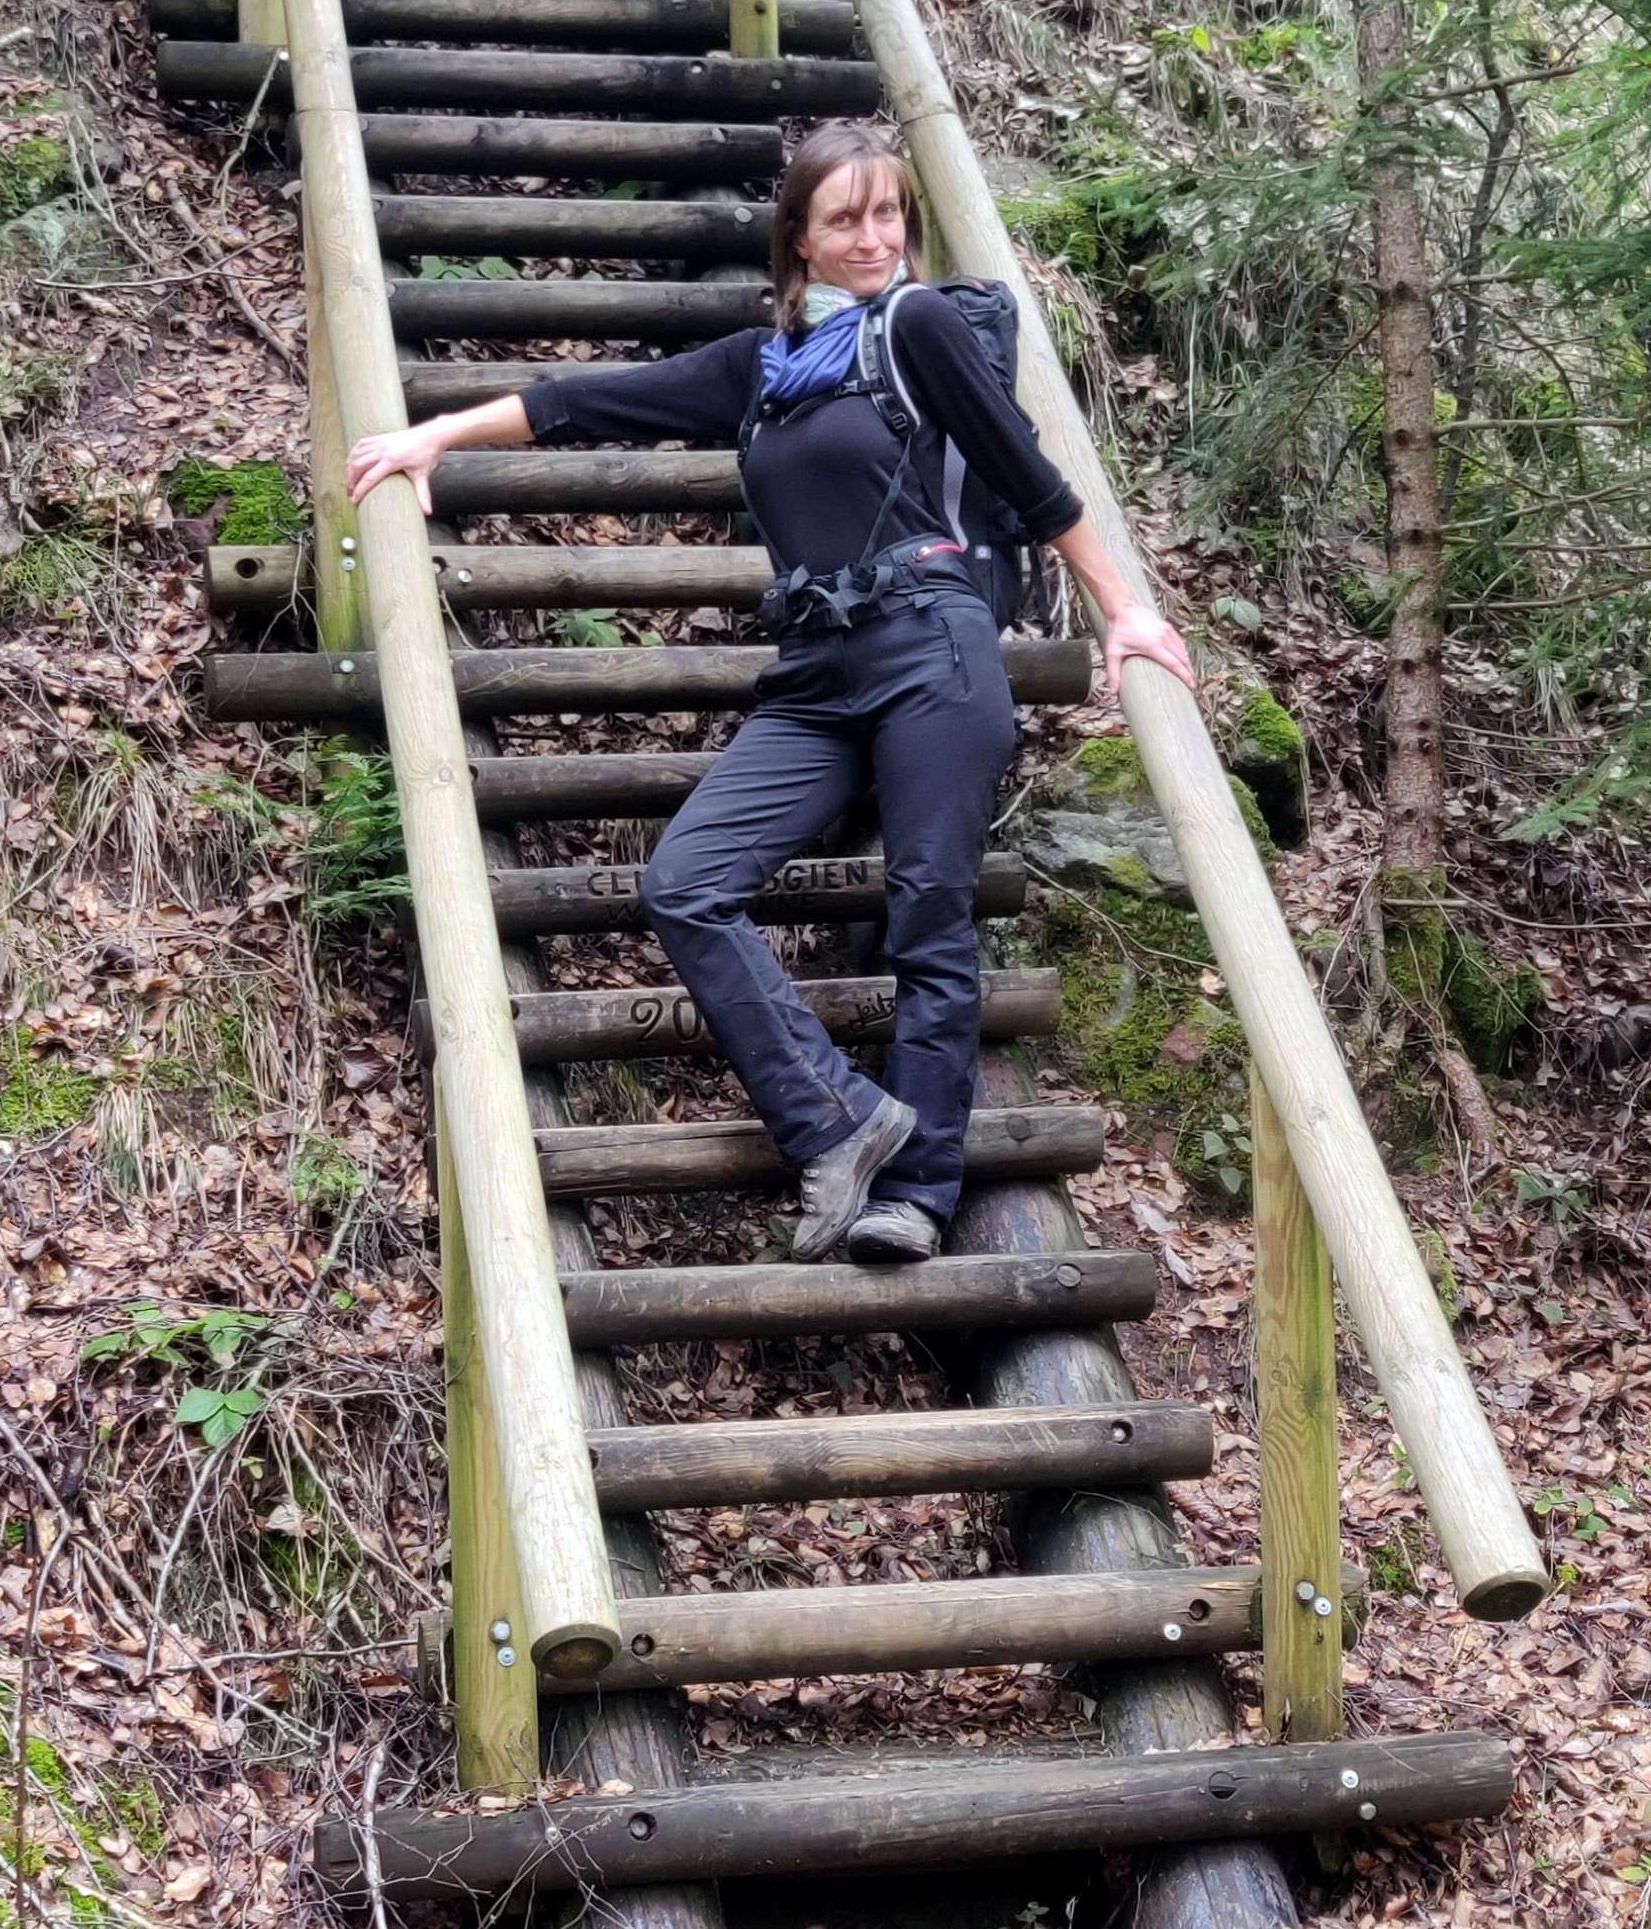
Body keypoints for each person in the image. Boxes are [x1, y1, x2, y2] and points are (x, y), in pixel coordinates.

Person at [347, 121, 1196, 1266]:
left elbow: (1031, 481)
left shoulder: (919, 326)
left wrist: (1121, 610)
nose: (872, 237)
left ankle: (917, 1194)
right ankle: (837, 1120)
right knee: (684, 883)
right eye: (844, 219)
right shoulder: (761, 367)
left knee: (927, 914)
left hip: (931, 648)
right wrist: (437, 435)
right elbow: (587, 400)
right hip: (814, 672)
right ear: (796, 236)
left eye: (887, 214)